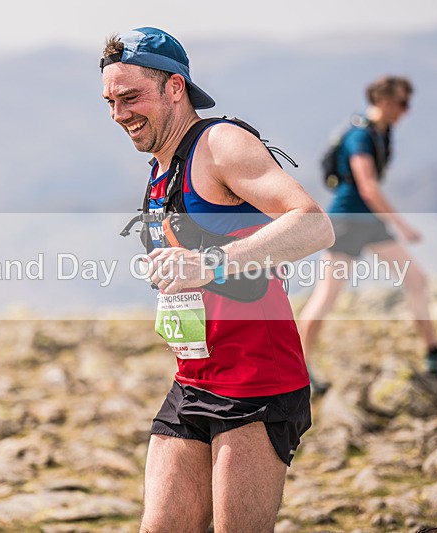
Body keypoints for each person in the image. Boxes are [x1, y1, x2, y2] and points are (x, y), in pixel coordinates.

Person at [100, 27, 334, 532]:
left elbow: (314, 224)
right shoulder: (163, 166)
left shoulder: (221, 144)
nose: (118, 114)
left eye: (130, 98)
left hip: (258, 383)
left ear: (175, 87)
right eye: (110, 102)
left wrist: (210, 263)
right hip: (193, 379)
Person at [297, 76, 437, 394]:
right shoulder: (359, 136)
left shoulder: (381, 132)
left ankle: (433, 352)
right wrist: (402, 226)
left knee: (416, 280)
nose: (406, 110)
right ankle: (298, 369)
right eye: (402, 103)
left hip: (367, 221)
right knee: (327, 295)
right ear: (383, 100)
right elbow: (367, 186)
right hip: (347, 221)